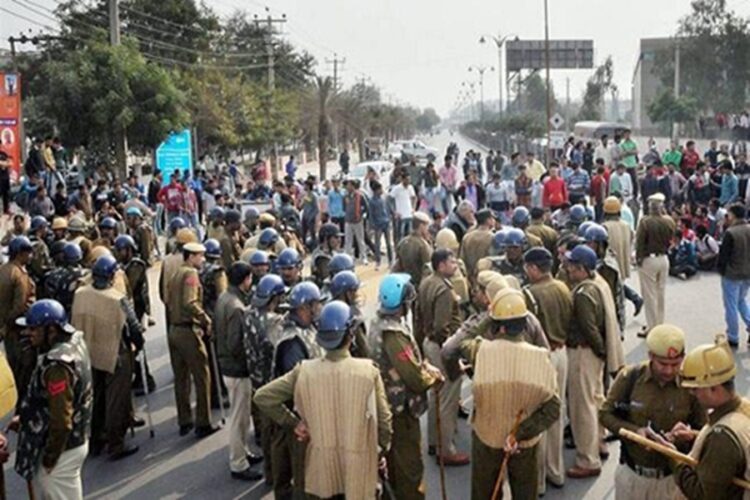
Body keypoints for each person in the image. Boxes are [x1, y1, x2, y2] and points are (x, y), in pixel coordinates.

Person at [255, 301, 392, 499]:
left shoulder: (304, 371)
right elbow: (385, 421)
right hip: (358, 468)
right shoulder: (368, 371)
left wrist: (294, 423)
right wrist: (380, 451)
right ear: (350, 335)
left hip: (320, 471)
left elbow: (263, 397)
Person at [454, 288, 560, 499]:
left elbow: (461, 342)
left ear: (498, 325)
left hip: (486, 439)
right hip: (524, 445)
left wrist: (487, 317)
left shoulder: (481, 350)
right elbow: (552, 409)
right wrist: (519, 433)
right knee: (524, 493)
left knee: (485, 494)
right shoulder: (541, 357)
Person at [600, 324, 706, 499]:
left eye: (675, 364)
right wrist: (636, 432)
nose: (668, 370)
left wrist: (690, 435)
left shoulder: (691, 386)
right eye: (662, 364)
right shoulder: (630, 377)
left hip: (671, 481)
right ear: (650, 356)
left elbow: (705, 430)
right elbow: (605, 414)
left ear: (683, 358)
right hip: (633, 478)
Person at [369, 273, 442, 499]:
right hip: (400, 412)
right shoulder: (394, 335)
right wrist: (433, 377)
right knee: (410, 472)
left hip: (388, 407)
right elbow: (414, 378)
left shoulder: (379, 323)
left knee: (393, 468)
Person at [12, 299, 92, 499]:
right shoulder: (74, 342)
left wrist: (50, 458)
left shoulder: (57, 367)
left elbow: (61, 420)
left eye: (33, 329)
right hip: (74, 441)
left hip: (62, 452)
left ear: (52, 330)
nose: (28, 333)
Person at [70, 255, 143, 459]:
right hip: (115, 353)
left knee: (96, 399)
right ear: (112, 276)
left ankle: (95, 441)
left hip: (88, 353)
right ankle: (116, 444)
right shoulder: (117, 298)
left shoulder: (81, 294)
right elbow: (134, 327)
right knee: (116, 401)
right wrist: (139, 343)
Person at [564, 245, 621, 479]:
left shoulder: (582, 293)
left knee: (582, 409)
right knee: (596, 401)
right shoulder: (598, 284)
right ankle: (598, 444)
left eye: (571, 266)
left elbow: (588, 328)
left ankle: (587, 460)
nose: (567, 269)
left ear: (581, 269)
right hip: (594, 355)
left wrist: (598, 350)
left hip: (583, 353)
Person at [264, 281, 322, 498]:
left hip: (297, 419)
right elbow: (298, 387)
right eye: (315, 305)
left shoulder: (305, 330)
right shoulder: (292, 343)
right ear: (304, 308)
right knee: (300, 478)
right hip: (294, 421)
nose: (318, 309)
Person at [675, 335, 750, 499]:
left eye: (696, 389)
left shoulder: (722, 437)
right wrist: (695, 437)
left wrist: (675, 459)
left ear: (714, 388)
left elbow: (702, 494)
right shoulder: (743, 409)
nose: (692, 393)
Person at [522, 247, 572, 490]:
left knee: (538, 415)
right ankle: (556, 470)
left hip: (541, 357)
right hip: (562, 353)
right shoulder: (563, 287)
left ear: (533, 268)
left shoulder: (530, 294)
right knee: (557, 411)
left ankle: (539, 481)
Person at [417, 248, 469, 466]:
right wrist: (451, 354)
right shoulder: (445, 290)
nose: (455, 264)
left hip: (428, 344)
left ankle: (434, 442)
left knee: (435, 395)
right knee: (447, 398)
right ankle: (445, 449)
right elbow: (441, 329)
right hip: (441, 347)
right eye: (451, 261)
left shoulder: (427, 283)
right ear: (440, 265)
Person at [214, 262, 263, 481]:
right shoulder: (236, 307)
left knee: (242, 419)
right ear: (245, 280)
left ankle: (244, 453)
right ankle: (238, 462)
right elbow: (236, 344)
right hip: (237, 370)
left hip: (228, 366)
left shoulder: (225, 298)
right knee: (238, 418)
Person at [166, 242, 219, 438]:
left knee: (181, 379)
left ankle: (185, 420)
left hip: (174, 329)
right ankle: (203, 422)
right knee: (202, 376)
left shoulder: (175, 273)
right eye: (200, 256)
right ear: (190, 256)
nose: (203, 260)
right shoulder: (191, 274)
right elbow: (190, 302)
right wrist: (206, 319)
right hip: (188, 331)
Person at [113, 235, 155, 395]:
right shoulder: (122, 265)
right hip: (129, 307)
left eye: (121, 250)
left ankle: (146, 379)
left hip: (137, 308)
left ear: (129, 250)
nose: (118, 253)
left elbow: (129, 284)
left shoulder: (136, 265)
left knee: (137, 345)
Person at [0, 236, 37, 405]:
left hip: (5, 329)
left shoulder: (3, 270)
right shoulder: (20, 275)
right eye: (28, 253)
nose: (30, 256)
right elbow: (21, 306)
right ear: (21, 253)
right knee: (22, 368)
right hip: (16, 330)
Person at [635, 193, 676, 337]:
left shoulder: (645, 222)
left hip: (648, 259)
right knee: (660, 293)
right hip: (664, 258)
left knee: (649, 295)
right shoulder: (669, 221)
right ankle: (659, 323)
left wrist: (638, 259)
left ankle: (652, 327)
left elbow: (639, 243)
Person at [717, 203, 750, 347]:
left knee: (730, 305)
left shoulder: (731, 232)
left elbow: (723, 256)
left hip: (732, 274)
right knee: (741, 301)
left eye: (728, 215)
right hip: (747, 273)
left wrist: (721, 270)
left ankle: (733, 336)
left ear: (733, 215)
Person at [394, 211, 433, 287]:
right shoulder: (423, 245)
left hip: (405, 285)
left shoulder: (402, 242)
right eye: (426, 226)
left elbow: (398, 266)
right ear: (421, 226)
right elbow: (429, 269)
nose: (428, 229)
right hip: (419, 286)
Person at [459, 208, 496, 283]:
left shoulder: (467, 237)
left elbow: (462, 259)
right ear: (488, 220)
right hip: (486, 278)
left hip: (470, 278)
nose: (494, 220)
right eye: (492, 218)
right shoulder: (492, 237)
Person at [343, 179, 368, 263]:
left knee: (360, 240)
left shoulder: (360, 196)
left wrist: (362, 216)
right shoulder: (345, 196)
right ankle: (348, 258)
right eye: (347, 185)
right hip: (348, 221)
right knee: (348, 241)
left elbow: (366, 207)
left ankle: (363, 257)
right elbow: (344, 208)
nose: (348, 187)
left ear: (353, 186)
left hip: (358, 221)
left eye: (349, 185)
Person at [390, 173, 417, 242]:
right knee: (400, 234)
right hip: (401, 215)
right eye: (407, 180)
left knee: (409, 234)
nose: (408, 181)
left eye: (409, 180)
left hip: (409, 214)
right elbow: (390, 199)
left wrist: (413, 208)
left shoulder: (410, 187)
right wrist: (394, 211)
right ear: (402, 179)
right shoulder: (397, 188)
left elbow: (414, 197)